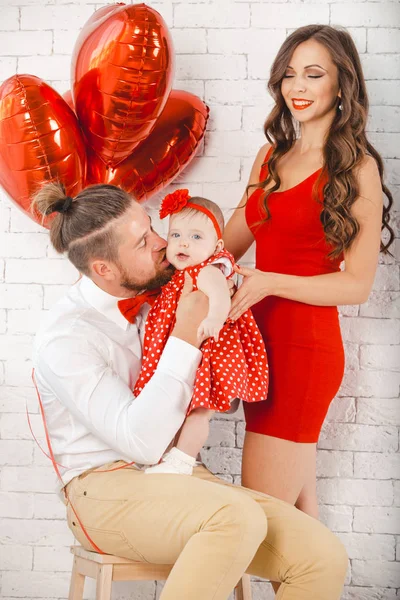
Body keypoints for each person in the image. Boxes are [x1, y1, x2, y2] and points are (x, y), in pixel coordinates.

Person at [31, 181, 347, 600]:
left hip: (176, 478)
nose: (164, 243)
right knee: (237, 518)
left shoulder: (162, 295)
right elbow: (141, 442)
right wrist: (186, 330)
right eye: (144, 241)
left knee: (322, 553)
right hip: (102, 492)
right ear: (104, 269)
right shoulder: (66, 338)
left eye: (152, 227)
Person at [224, 24, 394, 520]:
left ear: (342, 84)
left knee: (258, 521)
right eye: (289, 75)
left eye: (313, 74)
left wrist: (272, 281)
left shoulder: (356, 169)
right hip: (259, 349)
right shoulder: (270, 158)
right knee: (295, 525)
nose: (297, 87)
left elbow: (357, 285)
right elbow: (229, 244)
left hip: (303, 351)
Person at [133, 188, 268, 476]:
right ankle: (169, 456)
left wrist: (215, 319)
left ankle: (182, 460)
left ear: (217, 246)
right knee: (177, 408)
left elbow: (219, 296)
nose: (184, 243)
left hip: (208, 353)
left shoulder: (207, 271)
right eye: (176, 235)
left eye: (196, 237)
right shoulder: (180, 275)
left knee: (198, 411)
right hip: (187, 351)